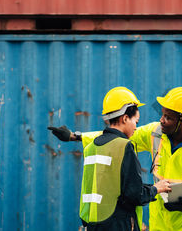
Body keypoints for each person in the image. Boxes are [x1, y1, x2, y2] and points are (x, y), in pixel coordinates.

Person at [48, 87, 182, 231]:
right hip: (159, 222)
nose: (162, 120)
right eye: (162, 114)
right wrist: (75, 136)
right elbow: (114, 138)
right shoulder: (155, 132)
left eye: (168, 117)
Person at [49, 87, 171, 231]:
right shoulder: (124, 146)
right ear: (125, 118)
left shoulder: (91, 147)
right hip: (119, 225)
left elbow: (114, 187)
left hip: (93, 224)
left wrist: (74, 136)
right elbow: (134, 194)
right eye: (136, 122)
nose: (136, 128)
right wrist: (156, 189)